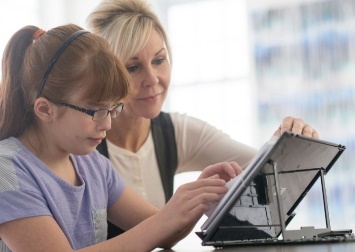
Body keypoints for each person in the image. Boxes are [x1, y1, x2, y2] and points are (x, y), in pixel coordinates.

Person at [0, 24, 243, 252]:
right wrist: (165, 219)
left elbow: (164, 234)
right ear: (45, 109)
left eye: (113, 108)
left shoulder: (93, 164)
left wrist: (196, 199)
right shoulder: (8, 171)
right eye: (95, 110)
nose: (107, 123)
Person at [86, 0, 319, 209]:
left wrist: (288, 143)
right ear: (108, 75)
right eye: (132, 67)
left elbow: (269, 171)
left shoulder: (176, 132)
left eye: (159, 60)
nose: (153, 79)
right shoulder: (84, 144)